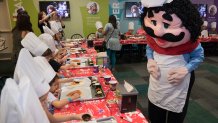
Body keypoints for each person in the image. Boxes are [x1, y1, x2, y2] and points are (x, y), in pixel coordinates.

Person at [141, 0, 204, 123]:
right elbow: (150, 47)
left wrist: (186, 69)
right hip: (157, 84)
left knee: (175, 116)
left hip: (179, 85)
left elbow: (198, 57)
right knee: (155, 113)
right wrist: (150, 60)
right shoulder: (153, 38)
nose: (158, 32)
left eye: (166, 24)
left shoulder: (190, 44)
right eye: (153, 22)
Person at [14, 48, 87, 122]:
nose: (44, 103)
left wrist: (74, 117)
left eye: (45, 99)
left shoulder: (42, 104)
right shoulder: (29, 114)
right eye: (42, 100)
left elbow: (53, 119)